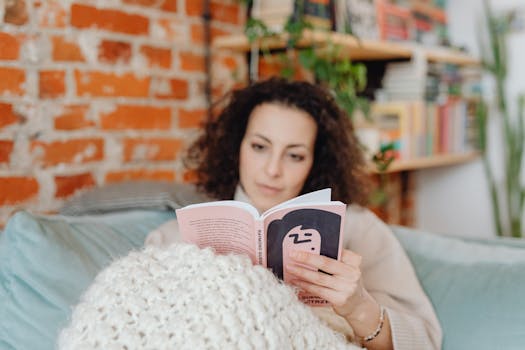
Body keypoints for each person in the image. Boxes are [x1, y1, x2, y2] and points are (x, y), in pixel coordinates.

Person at [146, 78, 442, 349]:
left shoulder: (358, 229)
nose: (273, 169)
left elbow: (425, 341)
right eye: (260, 147)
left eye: (295, 155)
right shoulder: (174, 237)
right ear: (237, 147)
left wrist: (359, 308)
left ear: (316, 160)